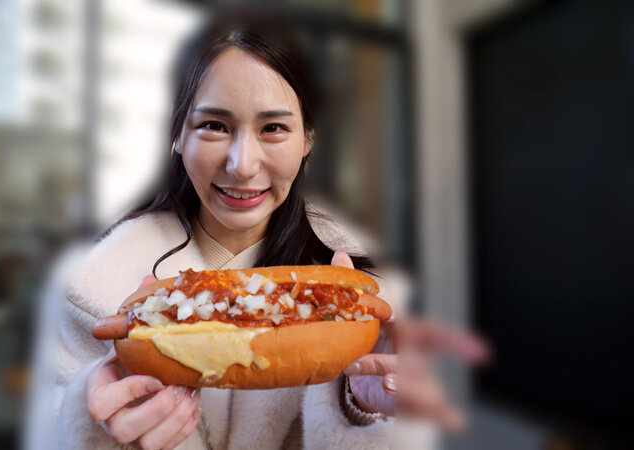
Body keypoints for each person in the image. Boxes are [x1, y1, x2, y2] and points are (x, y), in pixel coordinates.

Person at [26, 12, 487, 450]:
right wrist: (96, 428)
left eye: (273, 128)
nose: (242, 165)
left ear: (306, 140)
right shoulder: (91, 291)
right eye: (213, 125)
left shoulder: (368, 298)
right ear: (177, 137)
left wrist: (360, 410)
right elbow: (50, 432)